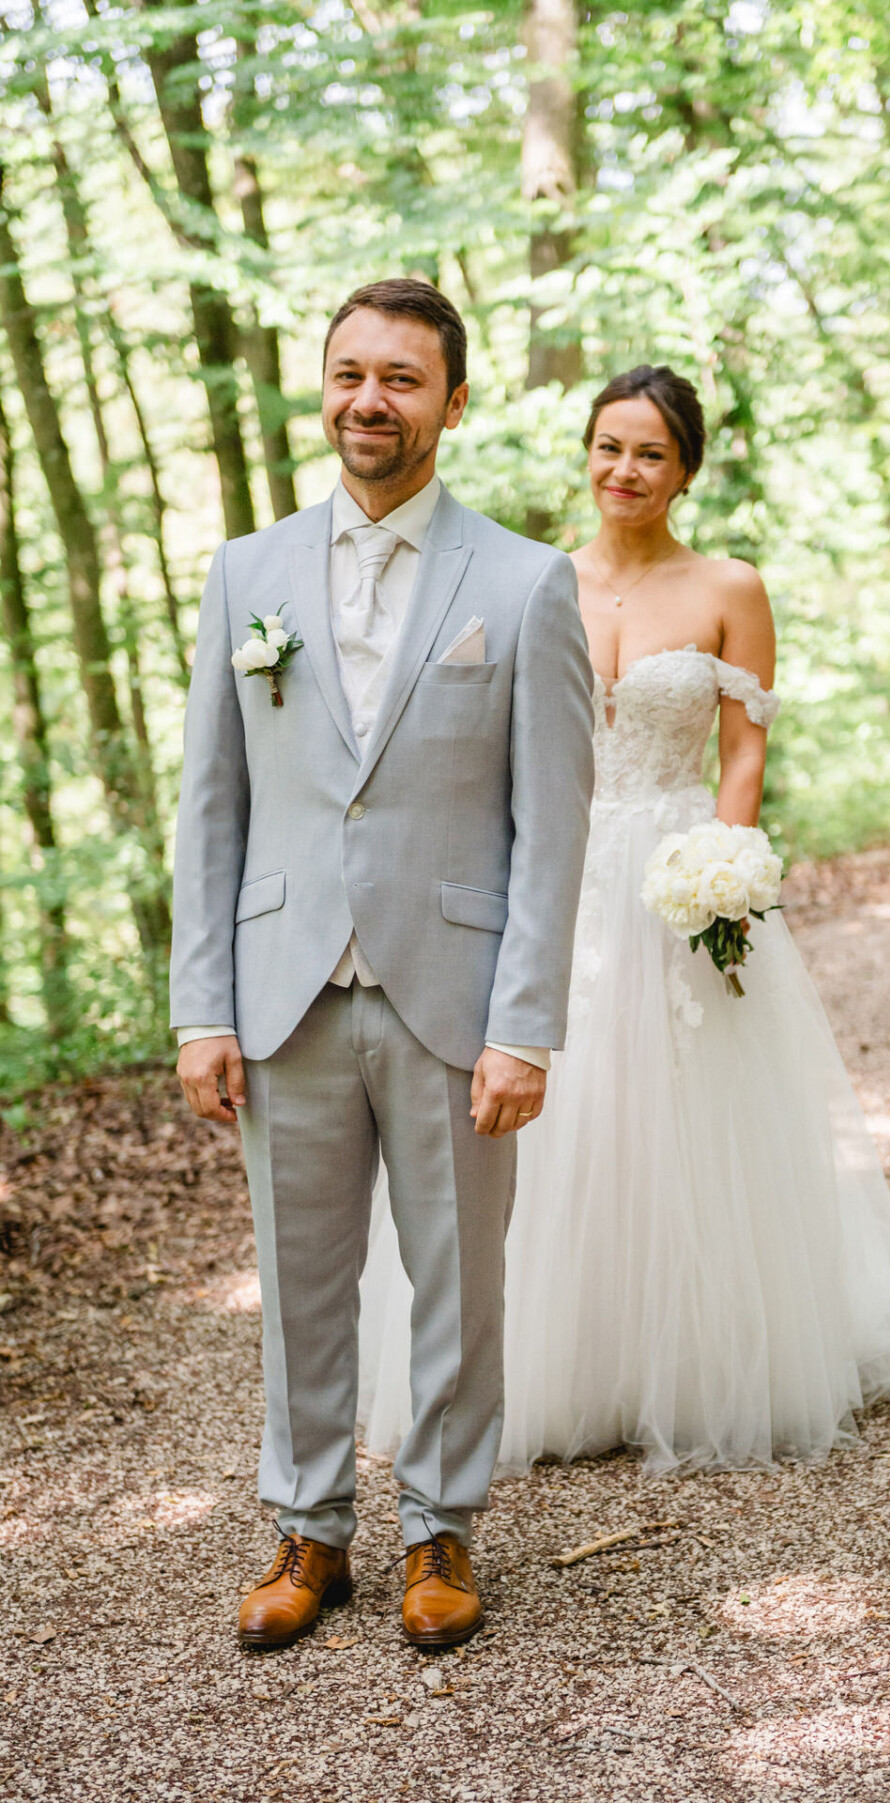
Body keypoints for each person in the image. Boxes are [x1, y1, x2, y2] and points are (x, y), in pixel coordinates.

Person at [358, 365, 890, 1474]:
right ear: (586, 452)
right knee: (549, 1110)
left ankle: (699, 1360)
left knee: (685, 1113)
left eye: (651, 453)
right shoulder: (533, 580)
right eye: (610, 446)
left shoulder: (730, 586)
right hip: (551, 873)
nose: (627, 470)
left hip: (677, 869)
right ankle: (550, 1366)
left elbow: (746, 747)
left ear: (686, 470)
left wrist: (726, 867)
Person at [170, 279, 594, 1651]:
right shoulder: (247, 573)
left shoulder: (528, 581)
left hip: (451, 994)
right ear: (323, 388)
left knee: (459, 1275)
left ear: (452, 402)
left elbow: (552, 827)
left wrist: (525, 1022)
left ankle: (442, 1526)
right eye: (349, 373)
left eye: (401, 378)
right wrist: (202, 1006)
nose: (369, 399)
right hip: (283, 983)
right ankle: (310, 1529)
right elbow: (212, 805)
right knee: (297, 1279)